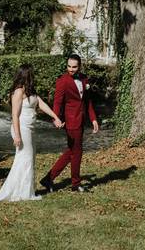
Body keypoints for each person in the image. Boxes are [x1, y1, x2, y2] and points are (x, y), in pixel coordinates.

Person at [0, 64, 62, 202]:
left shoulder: (30, 91)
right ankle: (22, 192)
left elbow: (42, 104)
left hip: (30, 128)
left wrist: (55, 117)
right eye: (31, 74)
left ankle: (25, 189)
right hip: (21, 128)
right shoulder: (18, 91)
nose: (33, 76)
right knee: (25, 158)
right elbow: (14, 115)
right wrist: (17, 135)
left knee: (28, 158)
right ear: (26, 75)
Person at [40, 53, 99, 193]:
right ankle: (75, 184)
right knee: (77, 151)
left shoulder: (84, 79)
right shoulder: (63, 81)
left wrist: (93, 119)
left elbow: (87, 101)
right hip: (71, 121)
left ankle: (48, 179)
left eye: (74, 67)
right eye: (69, 66)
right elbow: (57, 101)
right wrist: (55, 118)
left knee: (72, 151)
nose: (71, 69)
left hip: (82, 119)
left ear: (79, 66)